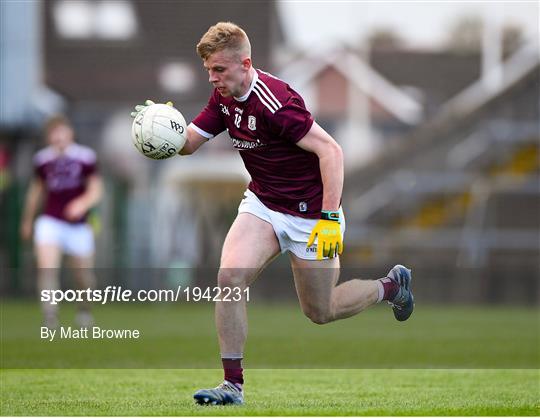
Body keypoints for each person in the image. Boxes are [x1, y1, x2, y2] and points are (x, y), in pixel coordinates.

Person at [132, 22, 414, 406]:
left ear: (245, 64)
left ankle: (391, 287)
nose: (212, 78)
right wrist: (160, 126)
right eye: (208, 71)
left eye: (219, 70)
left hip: (311, 215)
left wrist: (329, 218)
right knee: (229, 278)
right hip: (263, 205)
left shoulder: (276, 101)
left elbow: (331, 151)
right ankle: (233, 385)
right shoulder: (223, 98)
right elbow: (188, 145)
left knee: (320, 311)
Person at [20, 115, 103, 329]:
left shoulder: (85, 157)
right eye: (53, 133)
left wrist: (81, 204)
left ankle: (84, 311)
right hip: (51, 221)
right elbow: (36, 191)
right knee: (47, 268)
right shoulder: (42, 160)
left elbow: (96, 190)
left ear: (70, 133)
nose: (58, 137)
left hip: (78, 225)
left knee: (82, 275)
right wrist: (27, 220)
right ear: (49, 137)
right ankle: (50, 316)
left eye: (62, 131)